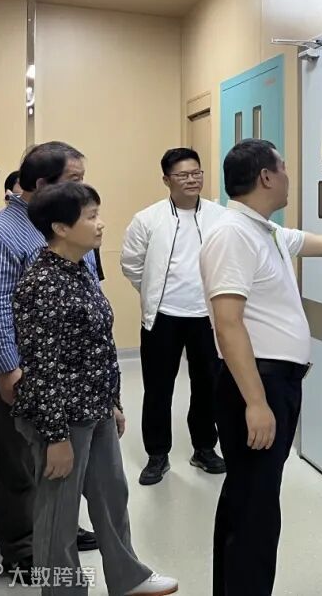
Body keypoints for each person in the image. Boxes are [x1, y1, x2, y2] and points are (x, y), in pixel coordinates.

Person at [200, 139, 322, 596]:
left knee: (248, 501)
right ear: (266, 177)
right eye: (284, 168)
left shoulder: (265, 231)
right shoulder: (232, 235)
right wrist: (256, 403)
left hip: (273, 383)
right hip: (256, 385)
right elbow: (228, 324)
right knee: (255, 512)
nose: (289, 176)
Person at [13, 182, 178, 596]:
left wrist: (113, 402)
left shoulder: (80, 268)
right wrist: (56, 437)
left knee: (111, 496)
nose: (101, 224)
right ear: (60, 228)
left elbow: (98, 344)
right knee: (59, 515)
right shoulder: (42, 282)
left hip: (95, 407)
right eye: (91, 217)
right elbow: (42, 367)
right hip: (61, 417)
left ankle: (128, 578)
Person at [0, 142, 99, 574]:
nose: (82, 188)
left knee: (60, 459)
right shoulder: (0, 235)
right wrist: (7, 369)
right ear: (42, 184)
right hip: (25, 368)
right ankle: (22, 548)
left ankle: (57, 527)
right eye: (74, 180)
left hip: (72, 370)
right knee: (20, 462)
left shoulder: (70, 221)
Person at [121, 148, 227, 485]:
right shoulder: (148, 219)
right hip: (163, 316)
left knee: (208, 385)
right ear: (166, 180)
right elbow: (131, 263)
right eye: (183, 175)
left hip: (207, 316)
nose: (192, 180)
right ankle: (157, 454)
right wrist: (153, 292)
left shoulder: (220, 217)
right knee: (158, 388)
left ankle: (204, 448)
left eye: (197, 173)